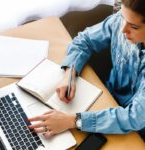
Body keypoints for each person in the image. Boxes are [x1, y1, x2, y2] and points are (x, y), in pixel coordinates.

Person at [27, 0, 145, 140]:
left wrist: (72, 121)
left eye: (134, 27)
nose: (122, 29)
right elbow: (85, 40)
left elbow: (134, 117)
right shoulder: (120, 21)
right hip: (107, 99)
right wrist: (70, 73)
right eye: (122, 18)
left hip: (136, 129)